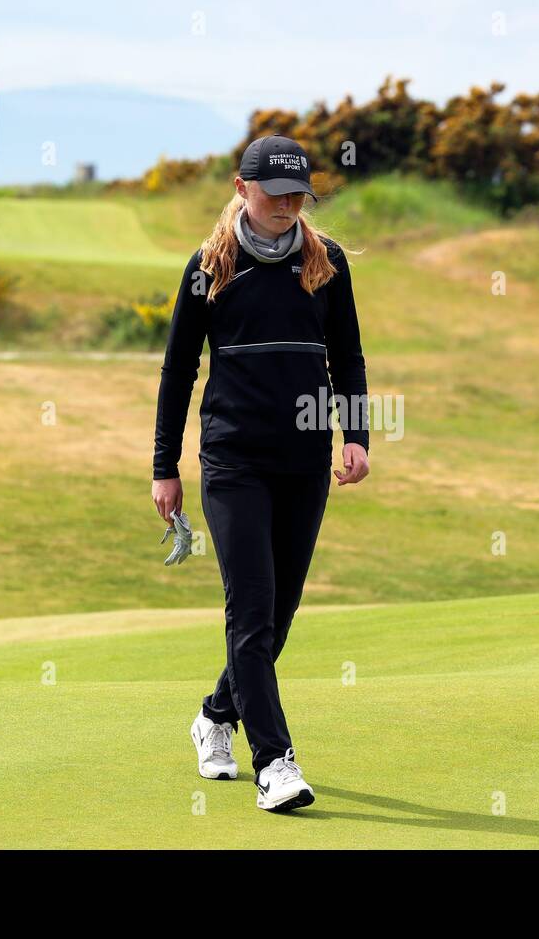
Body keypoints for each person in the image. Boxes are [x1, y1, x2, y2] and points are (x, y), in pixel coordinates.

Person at [151, 135, 371, 813]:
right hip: (233, 458)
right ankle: (274, 761)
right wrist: (164, 466)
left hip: (303, 457)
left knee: (277, 616)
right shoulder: (208, 266)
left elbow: (349, 356)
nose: (287, 207)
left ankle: (216, 715)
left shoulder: (325, 261)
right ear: (242, 190)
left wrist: (356, 434)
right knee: (249, 611)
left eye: (297, 196)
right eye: (275, 196)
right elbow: (178, 370)